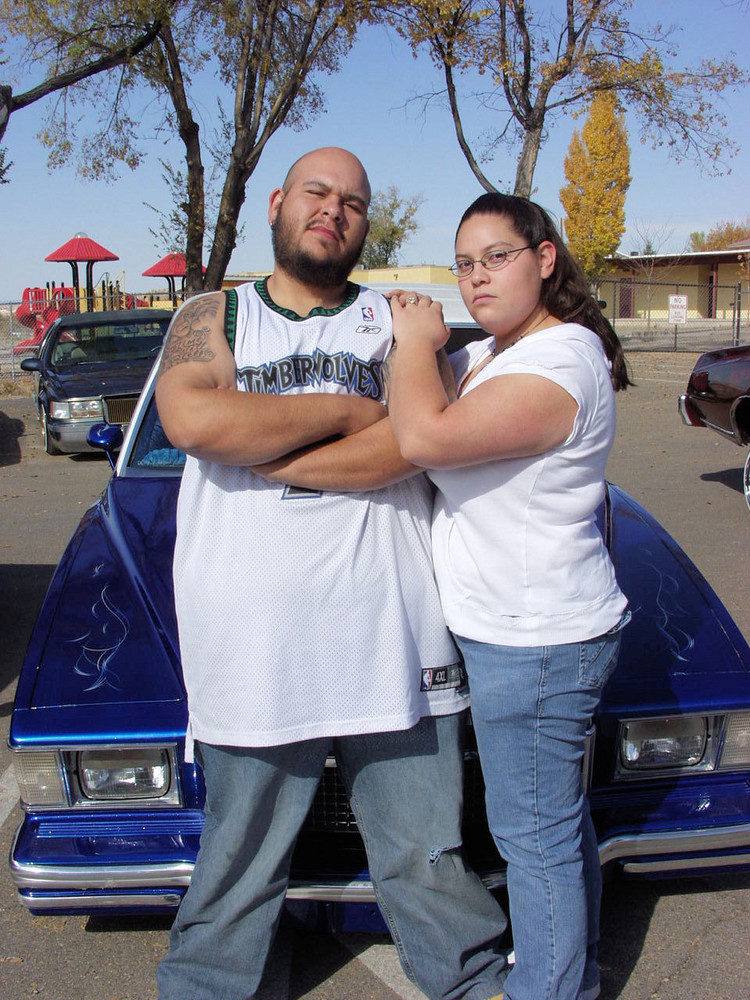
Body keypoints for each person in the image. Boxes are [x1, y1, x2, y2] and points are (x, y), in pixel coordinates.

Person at [154, 148, 509, 1000]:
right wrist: (351, 411)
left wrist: (269, 450)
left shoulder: (400, 321)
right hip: (252, 643)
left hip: (396, 639)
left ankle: (470, 981)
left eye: (353, 200)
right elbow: (194, 416)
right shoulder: (215, 315)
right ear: (277, 203)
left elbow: (412, 443)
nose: (334, 209)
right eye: (318, 192)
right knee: (236, 860)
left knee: (430, 857)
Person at [382, 193, 632, 1000]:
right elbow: (402, 412)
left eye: (497, 257)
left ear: (545, 257)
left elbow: (422, 437)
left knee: (533, 837)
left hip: (539, 639)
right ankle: (573, 965)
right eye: (464, 263)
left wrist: (416, 337)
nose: (476, 277)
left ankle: (553, 987)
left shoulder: (560, 360)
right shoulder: (497, 354)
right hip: (519, 633)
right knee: (554, 824)